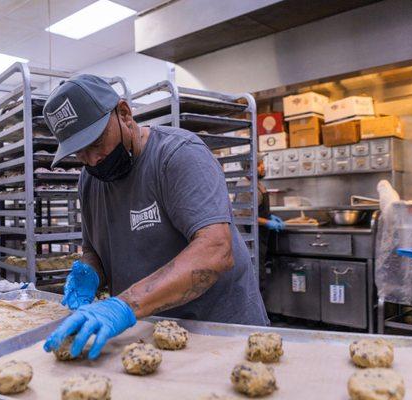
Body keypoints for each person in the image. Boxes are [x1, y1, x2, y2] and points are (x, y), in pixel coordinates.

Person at [42, 75, 268, 361]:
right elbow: (94, 250)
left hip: (219, 335)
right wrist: (89, 272)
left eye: (96, 141)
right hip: (147, 336)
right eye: (79, 152)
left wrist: (123, 305)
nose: (92, 159)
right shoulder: (88, 181)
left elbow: (216, 251)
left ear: (124, 113)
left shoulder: (178, 156)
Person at [234, 154, 285, 291]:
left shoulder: (256, 184)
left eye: (262, 163)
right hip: (250, 241)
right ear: (248, 168)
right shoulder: (245, 187)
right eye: (259, 164)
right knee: (255, 279)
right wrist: (268, 222)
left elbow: (256, 210)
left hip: (260, 238)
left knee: (259, 275)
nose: (263, 167)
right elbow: (244, 215)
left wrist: (270, 217)